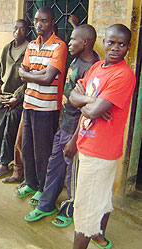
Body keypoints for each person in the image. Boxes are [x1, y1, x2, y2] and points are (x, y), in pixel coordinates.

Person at [69, 24, 136, 249]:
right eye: (111, 42)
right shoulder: (97, 67)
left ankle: (87, 238)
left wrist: (86, 101)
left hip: (101, 151)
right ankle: (100, 236)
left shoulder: (124, 75)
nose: (115, 48)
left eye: (122, 44)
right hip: (88, 143)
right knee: (101, 198)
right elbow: (73, 97)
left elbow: (91, 110)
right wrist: (90, 100)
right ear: (104, 42)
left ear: (128, 47)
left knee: (85, 208)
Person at [24, 24, 99, 223]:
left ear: (85, 43)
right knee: (53, 166)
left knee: (72, 176)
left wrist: (74, 140)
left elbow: (87, 111)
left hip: (77, 131)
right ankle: (46, 205)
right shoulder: (77, 60)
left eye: (74, 39)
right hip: (64, 125)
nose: (69, 42)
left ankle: (70, 209)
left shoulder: (92, 70)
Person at [15, 7, 67, 206]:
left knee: (43, 150)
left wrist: (33, 75)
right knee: (27, 147)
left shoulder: (59, 46)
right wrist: (37, 74)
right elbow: (23, 72)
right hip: (29, 103)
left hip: (46, 107)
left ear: (52, 23)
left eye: (43, 21)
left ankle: (43, 188)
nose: (39, 24)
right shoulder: (31, 46)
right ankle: (31, 182)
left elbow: (48, 78)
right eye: (36, 20)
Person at [0, 19, 28, 180]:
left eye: (22, 29)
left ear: (26, 31)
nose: (18, 31)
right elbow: (0, 72)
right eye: (15, 28)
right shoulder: (7, 48)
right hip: (3, 96)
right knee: (0, 128)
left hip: (16, 98)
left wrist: (16, 98)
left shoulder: (28, 50)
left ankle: (5, 163)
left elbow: (28, 80)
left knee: (10, 131)